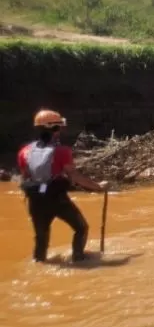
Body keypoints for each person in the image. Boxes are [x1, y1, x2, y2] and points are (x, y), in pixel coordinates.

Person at [18, 109, 107, 263]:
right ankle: (78, 258)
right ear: (55, 129)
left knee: (41, 237)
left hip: (35, 200)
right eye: (59, 126)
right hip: (56, 199)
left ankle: (39, 263)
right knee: (81, 228)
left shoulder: (24, 152)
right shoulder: (62, 151)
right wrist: (98, 186)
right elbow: (75, 176)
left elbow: (26, 176)